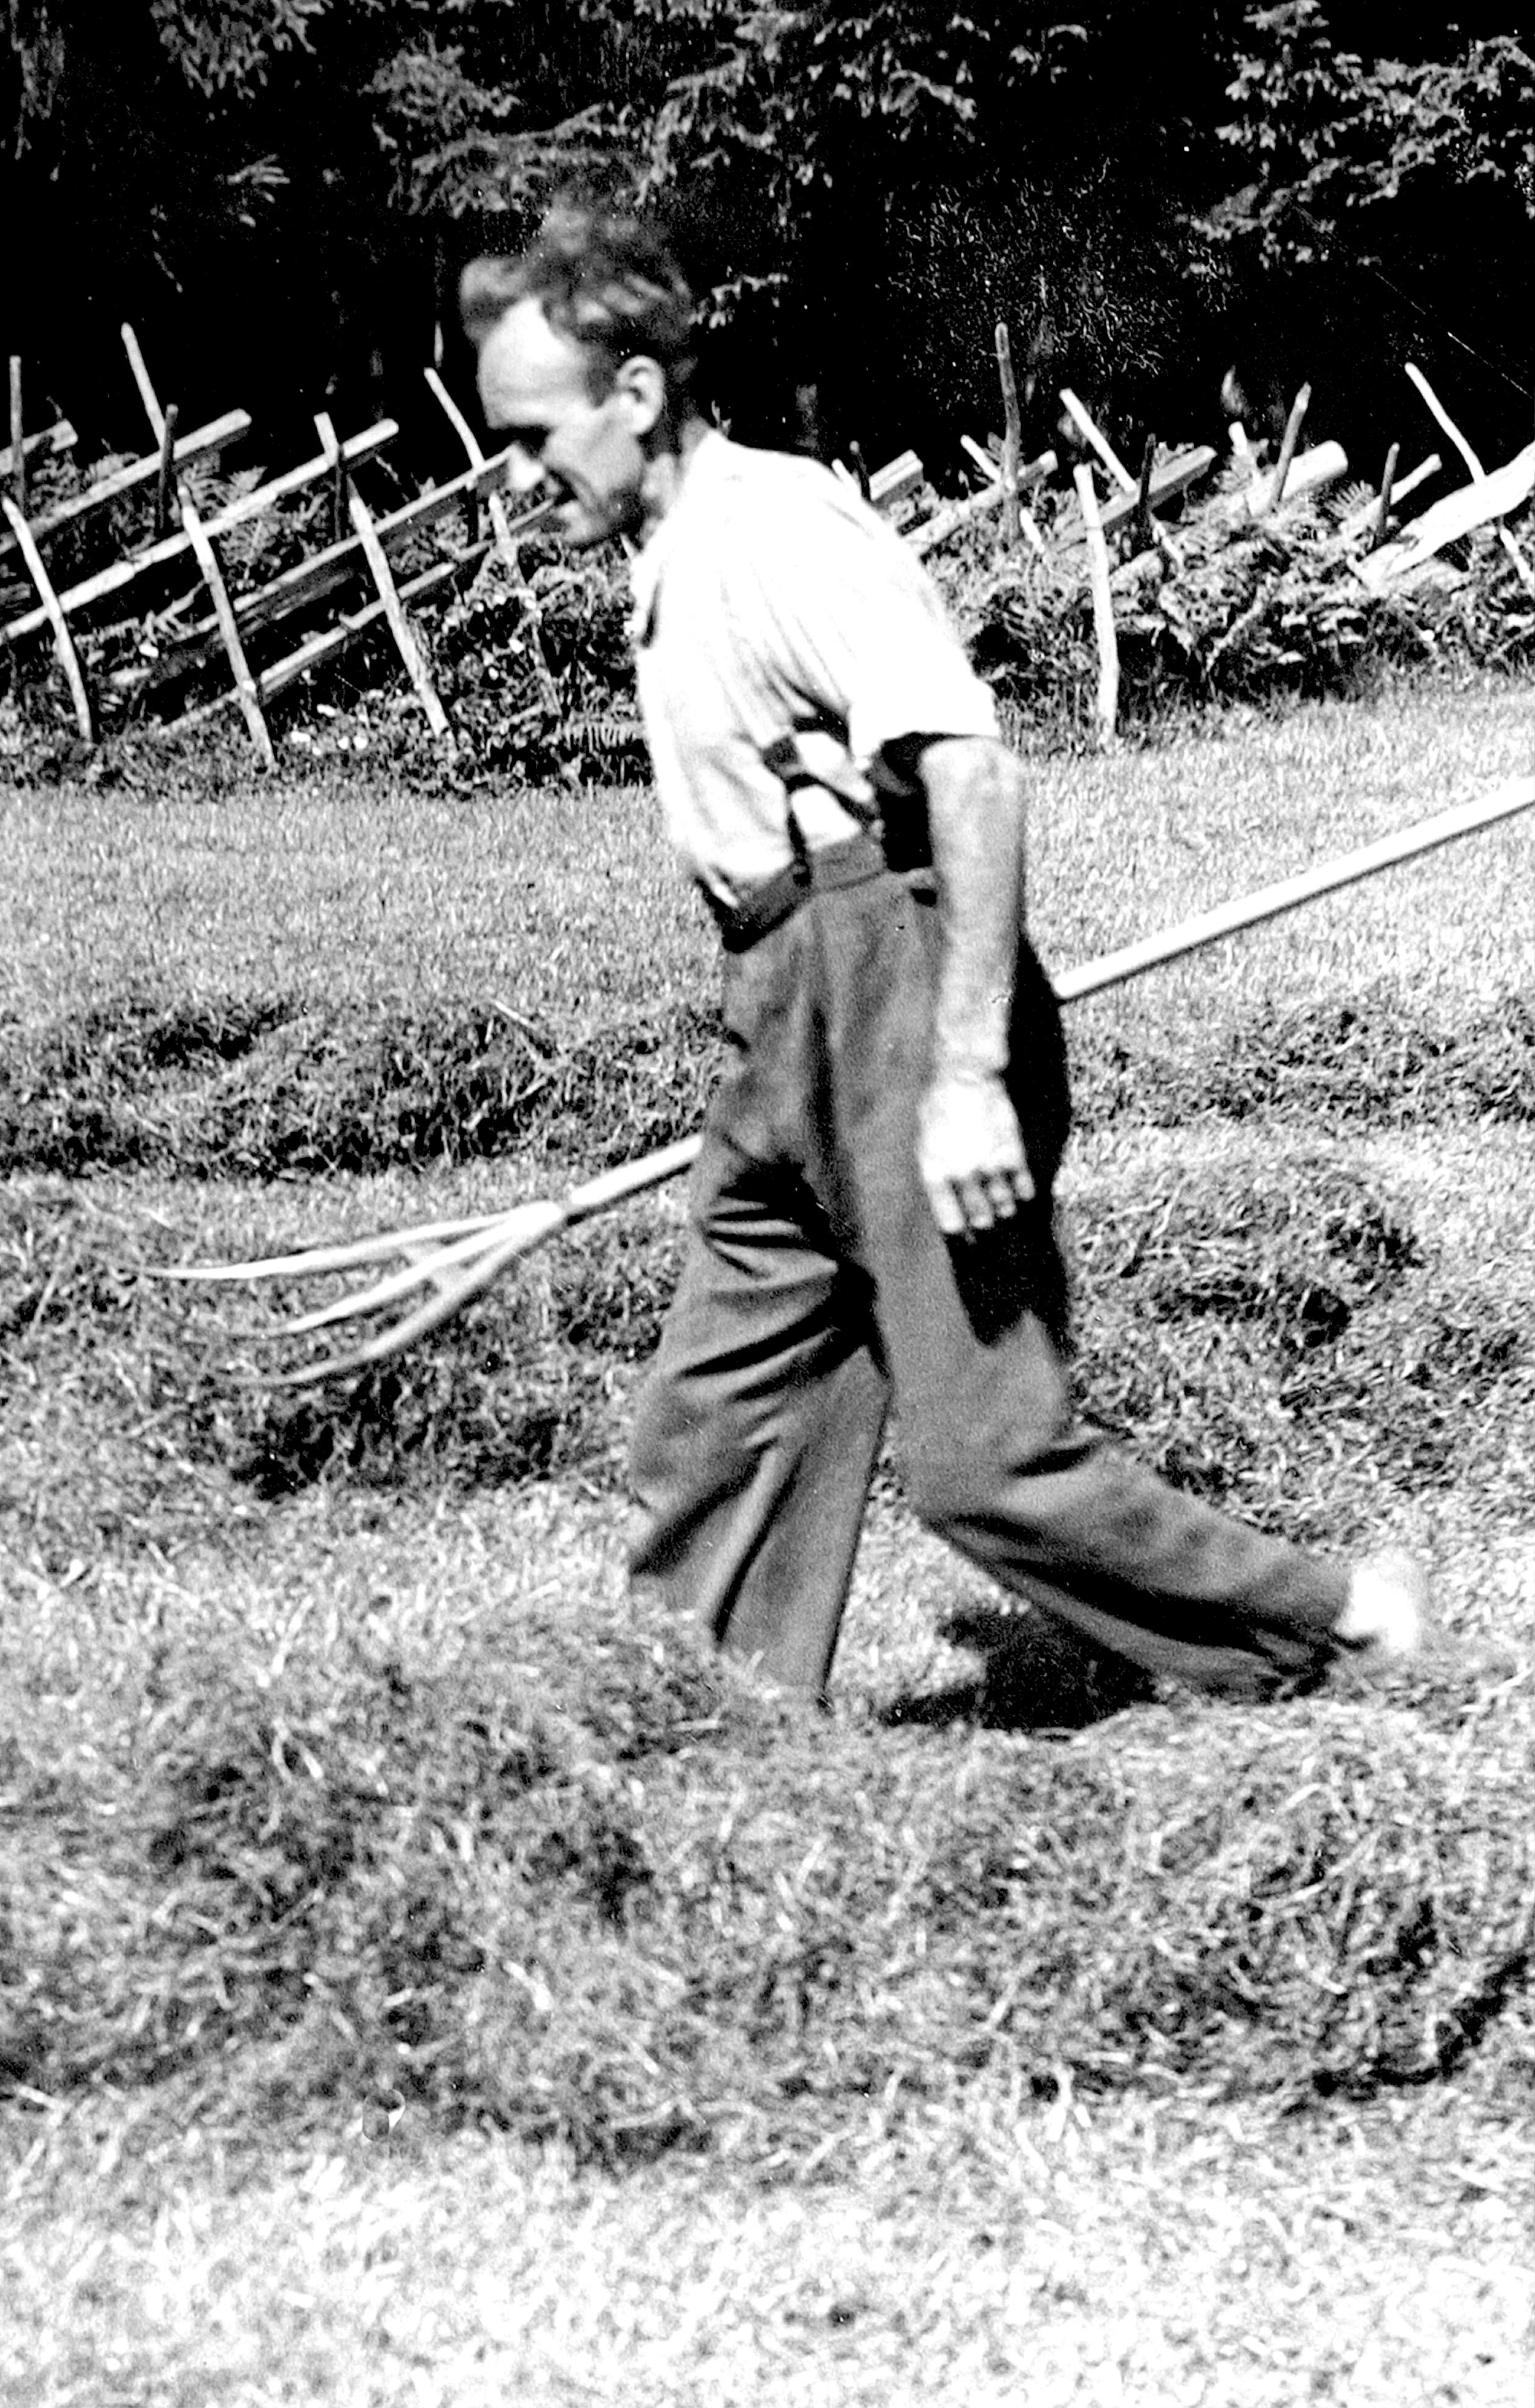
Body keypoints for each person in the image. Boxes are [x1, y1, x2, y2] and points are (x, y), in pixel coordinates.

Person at [461, 204, 1427, 1707]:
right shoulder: (677, 550)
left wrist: (966, 1073)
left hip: (892, 985)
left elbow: (972, 771)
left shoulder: (777, 528)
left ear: (637, 393)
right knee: (715, 1421)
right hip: (785, 1000)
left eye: (535, 436)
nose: (518, 477)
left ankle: (1339, 1617)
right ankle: (692, 1720)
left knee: (985, 1460)